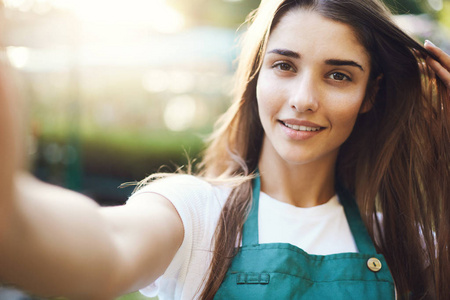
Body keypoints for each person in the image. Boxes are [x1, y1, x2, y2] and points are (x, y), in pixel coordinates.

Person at [0, 0, 449, 299]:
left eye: (338, 75)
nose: (303, 98)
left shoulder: (406, 244)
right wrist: (15, 218)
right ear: (257, 76)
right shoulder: (196, 215)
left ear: (370, 95)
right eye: (284, 66)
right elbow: (107, 248)